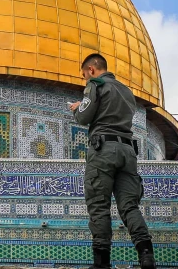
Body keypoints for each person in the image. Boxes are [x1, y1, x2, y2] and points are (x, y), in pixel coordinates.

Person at [70, 53, 155, 269]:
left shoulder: (95, 85)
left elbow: (84, 117)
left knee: (99, 205)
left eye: (84, 75)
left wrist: (77, 107)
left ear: (91, 70)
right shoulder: (126, 91)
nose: (85, 80)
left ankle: (102, 263)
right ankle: (146, 255)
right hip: (128, 152)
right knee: (129, 206)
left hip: (104, 151)